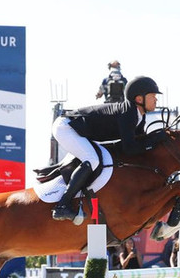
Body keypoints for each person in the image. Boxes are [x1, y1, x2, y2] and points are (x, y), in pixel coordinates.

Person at [51, 76, 167, 221]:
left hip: (77, 130)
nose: (156, 100)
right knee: (92, 159)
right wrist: (156, 139)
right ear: (139, 99)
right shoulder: (129, 113)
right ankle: (62, 206)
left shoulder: (139, 116)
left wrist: (156, 139)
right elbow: (130, 149)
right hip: (66, 127)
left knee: (97, 158)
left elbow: (139, 144)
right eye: (153, 96)